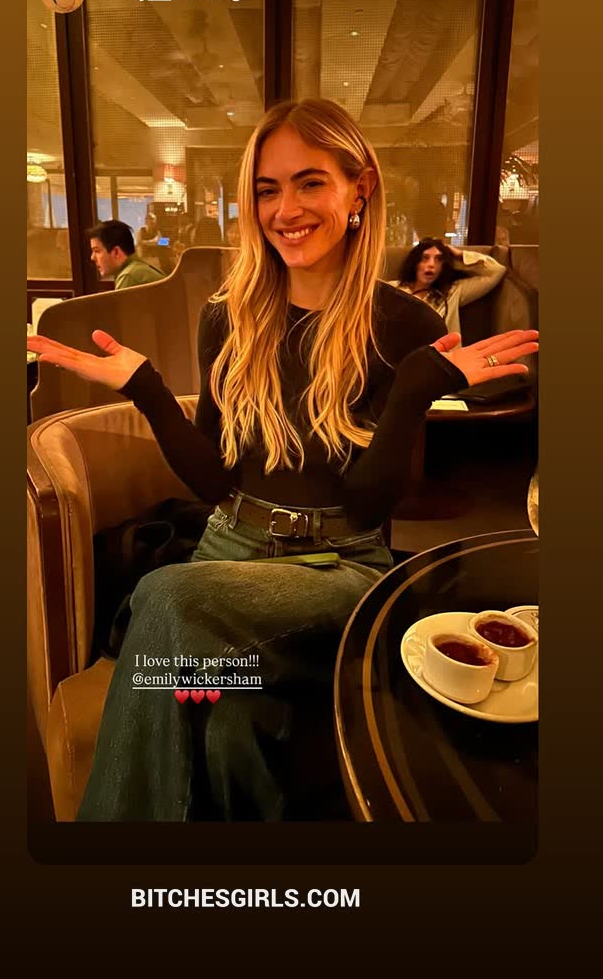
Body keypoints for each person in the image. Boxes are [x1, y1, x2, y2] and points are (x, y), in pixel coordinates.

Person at [28, 99, 537, 821]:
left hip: (340, 569)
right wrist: (146, 388)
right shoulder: (226, 316)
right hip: (227, 551)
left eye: (310, 182)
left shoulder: (405, 324)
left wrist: (414, 390)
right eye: (267, 189)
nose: (285, 209)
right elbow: (214, 480)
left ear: (358, 190)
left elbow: (367, 506)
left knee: (166, 601)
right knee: (230, 725)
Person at [390, 237, 507, 337]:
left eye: (438, 259)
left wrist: (459, 256)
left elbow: (496, 271)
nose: (431, 265)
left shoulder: (452, 292)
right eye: (425, 258)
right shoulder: (393, 289)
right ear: (415, 263)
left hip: (442, 353)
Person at [88, 220, 165, 290]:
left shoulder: (129, 276)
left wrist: (152, 242)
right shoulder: (136, 268)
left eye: (97, 251)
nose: (92, 257)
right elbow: (141, 242)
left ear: (116, 252)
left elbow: (165, 242)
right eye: (150, 221)